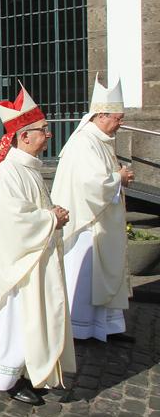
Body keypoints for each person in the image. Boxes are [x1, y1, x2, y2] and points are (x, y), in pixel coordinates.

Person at [0, 85, 75, 405]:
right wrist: (51, 219)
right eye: (43, 130)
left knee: (33, 318)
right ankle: (8, 378)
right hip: (17, 266)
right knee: (19, 319)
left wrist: (50, 216)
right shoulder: (9, 171)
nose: (48, 135)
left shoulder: (27, 167)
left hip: (32, 258)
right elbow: (13, 221)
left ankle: (31, 371)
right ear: (24, 136)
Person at [51, 76, 133, 343]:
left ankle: (108, 326)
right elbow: (90, 183)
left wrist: (117, 178)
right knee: (88, 276)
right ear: (101, 115)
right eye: (117, 118)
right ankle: (82, 328)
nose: (120, 123)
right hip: (88, 223)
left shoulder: (102, 139)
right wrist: (118, 178)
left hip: (103, 220)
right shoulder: (85, 141)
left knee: (105, 272)